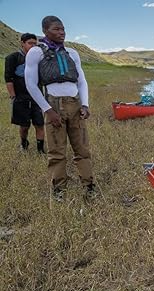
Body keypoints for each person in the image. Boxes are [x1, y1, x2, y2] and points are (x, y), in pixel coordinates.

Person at [24, 16, 96, 201]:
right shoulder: (36, 52)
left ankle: (89, 187)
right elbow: (31, 84)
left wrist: (85, 105)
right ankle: (59, 191)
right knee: (56, 151)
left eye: (63, 29)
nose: (61, 32)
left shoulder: (72, 53)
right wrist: (48, 110)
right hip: (53, 104)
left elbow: (82, 81)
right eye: (56, 29)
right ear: (45, 31)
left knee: (82, 149)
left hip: (75, 104)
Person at [4, 33, 45, 153]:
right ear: (22, 43)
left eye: (35, 44)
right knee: (24, 126)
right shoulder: (13, 58)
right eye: (30, 43)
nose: (33, 46)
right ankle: (23, 144)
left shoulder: (39, 58)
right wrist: (13, 96)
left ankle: (40, 150)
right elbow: (9, 78)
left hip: (37, 97)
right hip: (21, 97)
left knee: (39, 124)